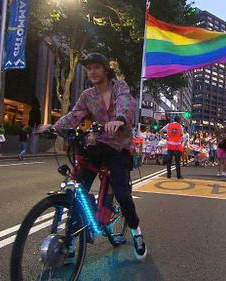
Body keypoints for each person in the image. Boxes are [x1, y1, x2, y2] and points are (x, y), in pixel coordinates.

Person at [39, 53, 147, 259]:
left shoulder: (120, 87)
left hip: (119, 147)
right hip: (96, 144)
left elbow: (127, 104)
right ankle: (70, 242)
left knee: (123, 194)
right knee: (77, 188)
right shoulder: (87, 95)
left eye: (96, 67)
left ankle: (136, 231)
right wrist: (54, 127)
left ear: (106, 69)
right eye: (89, 68)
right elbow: (75, 115)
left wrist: (120, 119)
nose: (92, 72)